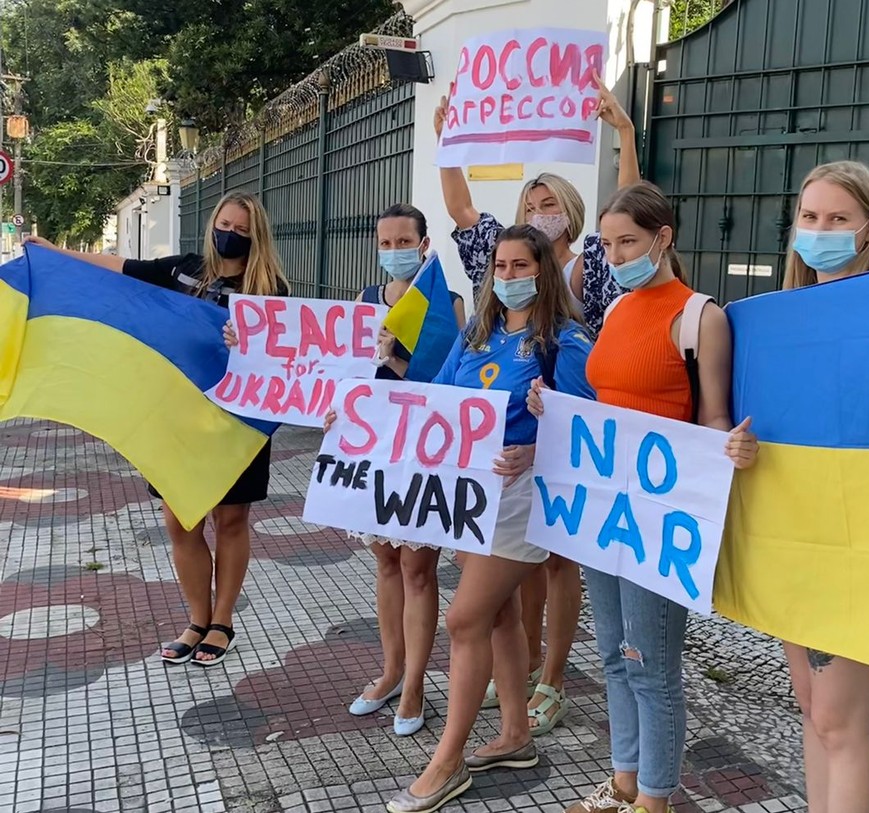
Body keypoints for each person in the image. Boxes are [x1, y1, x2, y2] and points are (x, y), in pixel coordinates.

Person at [335, 224, 593, 812]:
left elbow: (589, 434)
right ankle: (515, 736)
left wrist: (539, 442)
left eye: (521, 266)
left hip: (524, 500)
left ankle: (448, 760)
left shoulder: (566, 342)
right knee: (497, 614)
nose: (508, 277)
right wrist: (356, 415)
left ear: (544, 272)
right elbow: (437, 403)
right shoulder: (477, 334)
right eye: (500, 266)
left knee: (463, 619)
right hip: (471, 501)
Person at [527, 180, 758, 813]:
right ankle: (623, 782)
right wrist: (553, 410)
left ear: (663, 238)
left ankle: (653, 801)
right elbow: (609, 403)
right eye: (608, 242)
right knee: (611, 654)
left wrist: (731, 449)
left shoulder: (700, 317)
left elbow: (712, 417)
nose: (618, 253)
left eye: (628, 240)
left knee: (650, 664)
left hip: (659, 515)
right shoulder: (620, 311)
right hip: (604, 509)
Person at [433, 72, 639, 736]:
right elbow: (464, 212)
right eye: (531, 199)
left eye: (550, 200)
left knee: (556, 564)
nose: (540, 207)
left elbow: (634, 209)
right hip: (503, 459)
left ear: (572, 211)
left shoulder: (597, 266)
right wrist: (449, 142)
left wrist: (625, 135)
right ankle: (515, 684)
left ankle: (549, 678)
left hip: (569, 427)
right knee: (509, 580)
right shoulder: (501, 275)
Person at [26, 190, 290, 668]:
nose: (229, 235)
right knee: (180, 519)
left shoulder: (271, 289)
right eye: (225, 225)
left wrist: (249, 340)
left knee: (230, 521)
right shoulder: (182, 270)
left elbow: (288, 357)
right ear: (213, 223)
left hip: (238, 421)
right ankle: (196, 618)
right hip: (177, 416)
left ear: (257, 237)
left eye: (241, 231)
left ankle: (223, 620)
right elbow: (119, 267)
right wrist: (56, 254)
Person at [778, 160, 869, 813]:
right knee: (811, 708)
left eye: (837, 218)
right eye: (810, 216)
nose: (820, 230)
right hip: (794, 535)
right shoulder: (782, 319)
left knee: (839, 720)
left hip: (860, 540)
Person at [336, 203, 466, 736]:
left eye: (402, 241)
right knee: (385, 562)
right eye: (384, 242)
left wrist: (397, 363)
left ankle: (415, 684)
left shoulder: (449, 304)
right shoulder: (364, 304)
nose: (393, 251)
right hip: (374, 450)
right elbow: (337, 370)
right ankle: (390, 670)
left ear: (424, 243)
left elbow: (453, 381)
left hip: (425, 452)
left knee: (418, 568)